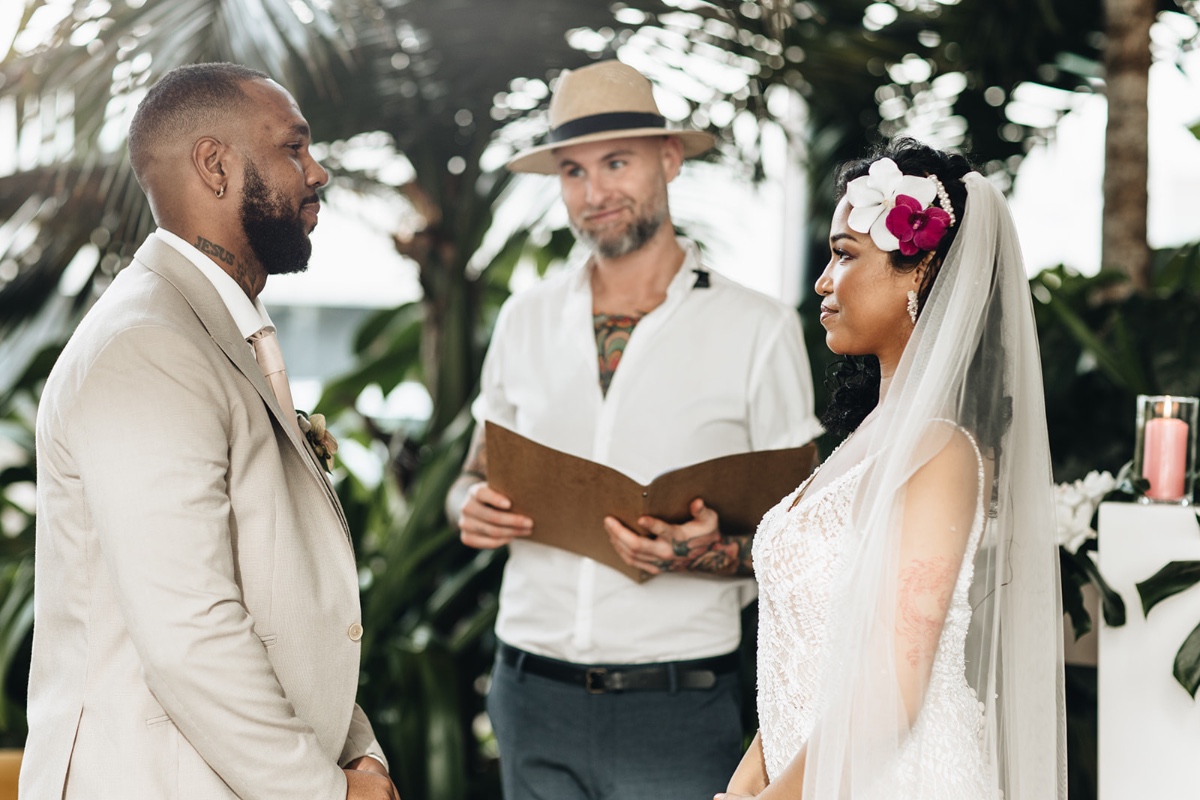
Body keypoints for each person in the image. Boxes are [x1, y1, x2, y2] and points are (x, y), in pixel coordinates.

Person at [445, 60, 823, 800]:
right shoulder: (523, 319)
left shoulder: (760, 328)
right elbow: (471, 472)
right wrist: (467, 504)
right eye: (573, 171)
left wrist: (706, 552)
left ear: (670, 160)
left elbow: (804, 543)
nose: (594, 194)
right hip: (531, 694)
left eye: (616, 163)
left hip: (680, 705)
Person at [21, 63, 399, 800]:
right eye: (295, 148)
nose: (317, 174)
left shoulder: (210, 328)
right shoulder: (147, 347)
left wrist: (362, 753)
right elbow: (189, 632)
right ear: (215, 165)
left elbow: (277, 598)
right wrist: (326, 792)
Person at [718, 139, 1065, 799]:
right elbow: (805, 659)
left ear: (920, 270)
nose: (822, 280)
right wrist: (748, 780)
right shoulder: (862, 443)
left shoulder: (941, 454)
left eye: (845, 255)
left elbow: (892, 696)